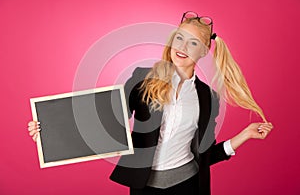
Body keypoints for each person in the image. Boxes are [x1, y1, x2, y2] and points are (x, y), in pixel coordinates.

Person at [28, 11, 273, 195]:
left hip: (188, 184)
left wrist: (245, 135)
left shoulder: (209, 98)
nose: (183, 47)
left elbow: (205, 154)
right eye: (180, 38)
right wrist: (50, 132)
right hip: (144, 185)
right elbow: (107, 120)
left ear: (204, 51)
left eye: (193, 42)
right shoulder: (143, 78)